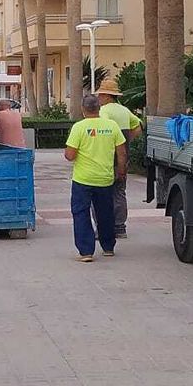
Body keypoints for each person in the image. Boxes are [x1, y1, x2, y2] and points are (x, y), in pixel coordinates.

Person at [63, 94, 127, 262]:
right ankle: (108, 247)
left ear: (83, 109)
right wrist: (121, 172)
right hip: (105, 179)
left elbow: (69, 155)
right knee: (105, 213)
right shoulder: (112, 126)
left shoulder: (79, 127)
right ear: (99, 108)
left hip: (83, 180)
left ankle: (86, 252)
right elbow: (122, 152)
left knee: (81, 213)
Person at [94, 79, 142, 239]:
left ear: (107, 96)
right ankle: (120, 227)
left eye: (101, 94)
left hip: (107, 159)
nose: (99, 97)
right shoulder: (124, 110)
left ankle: (103, 228)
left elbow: (101, 130)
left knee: (101, 194)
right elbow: (138, 125)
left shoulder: (104, 111)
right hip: (124, 158)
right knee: (120, 192)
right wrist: (127, 140)